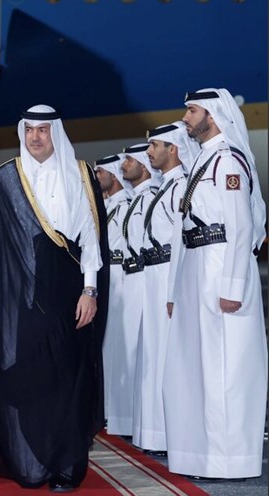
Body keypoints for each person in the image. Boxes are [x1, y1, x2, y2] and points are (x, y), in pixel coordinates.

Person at [0, 105, 107, 492]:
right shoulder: (6, 177)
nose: (35, 137)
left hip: (68, 294)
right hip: (17, 299)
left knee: (65, 377)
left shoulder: (80, 173)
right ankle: (29, 462)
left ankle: (65, 465)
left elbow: (91, 242)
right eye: (29, 130)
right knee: (23, 375)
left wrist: (90, 290)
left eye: (43, 130)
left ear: (56, 133)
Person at [163, 88, 267, 480]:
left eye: (192, 110)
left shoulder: (227, 162)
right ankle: (203, 456)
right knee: (198, 367)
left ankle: (229, 461)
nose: (186, 117)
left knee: (224, 368)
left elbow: (240, 228)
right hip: (198, 266)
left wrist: (233, 287)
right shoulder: (204, 160)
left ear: (214, 114)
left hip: (221, 267)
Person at [131, 123, 196, 457]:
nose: (149, 152)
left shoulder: (182, 187)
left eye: (155, 145)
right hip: (152, 277)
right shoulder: (164, 188)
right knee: (153, 358)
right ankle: (156, 434)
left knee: (168, 359)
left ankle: (172, 435)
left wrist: (173, 291)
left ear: (173, 149)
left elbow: (180, 242)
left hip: (167, 277)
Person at [109, 143, 157, 437]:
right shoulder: (136, 201)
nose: (125, 164)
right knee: (120, 350)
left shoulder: (148, 198)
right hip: (126, 276)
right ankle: (122, 417)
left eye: (130, 159)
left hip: (142, 276)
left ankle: (135, 422)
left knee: (139, 351)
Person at [93, 153, 131, 428]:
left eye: (100, 173)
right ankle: (105, 409)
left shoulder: (127, 205)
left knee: (117, 345)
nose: (96, 179)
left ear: (114, 175)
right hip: (107, 276)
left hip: (122, 276)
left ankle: (117, 412)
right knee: (106, 347)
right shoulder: (105, 207)